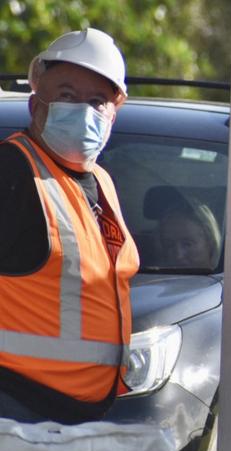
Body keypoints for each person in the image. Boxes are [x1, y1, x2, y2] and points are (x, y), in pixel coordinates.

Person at [0, 28, 139, 424]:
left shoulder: (101, 181)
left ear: (115, 111)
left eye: (97, 101)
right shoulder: (11, 171)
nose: (83, 110)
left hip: (85, 415)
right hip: (17, 411)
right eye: (66, 96)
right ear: (34, 104)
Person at [158, 198, 222, 270]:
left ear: (210, 241)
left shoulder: (228, 276)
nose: (178, 255)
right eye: (170, 245)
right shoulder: (154, 276)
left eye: (187, 244)